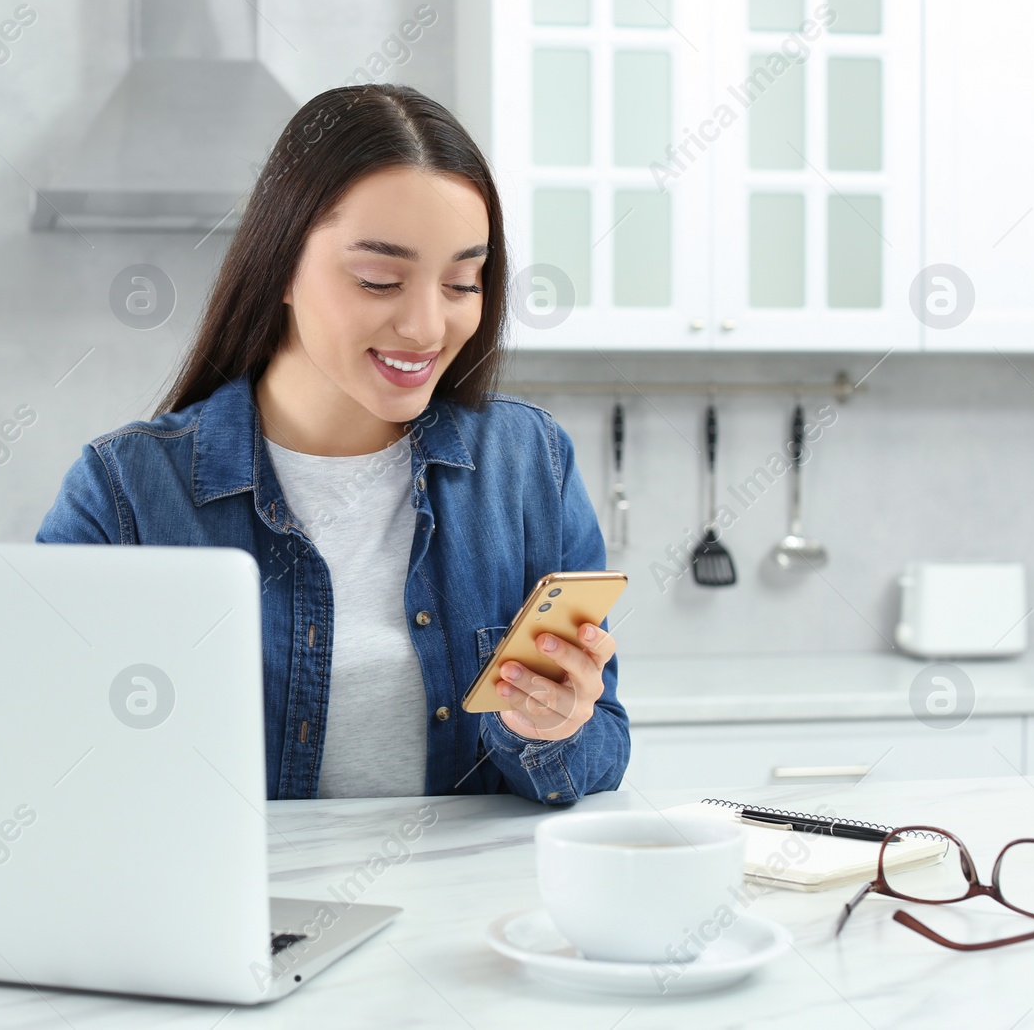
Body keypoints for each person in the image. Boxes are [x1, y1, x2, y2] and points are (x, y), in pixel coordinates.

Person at [36, 83, 629, 804]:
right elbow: (48, 763)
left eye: (461, 282)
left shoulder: (528, 465)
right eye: (379, 280)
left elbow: (601, 748)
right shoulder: (125, 492)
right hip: (235, 913)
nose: (427, 327)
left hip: (467, 913)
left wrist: (552, 731)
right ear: (280, 266)